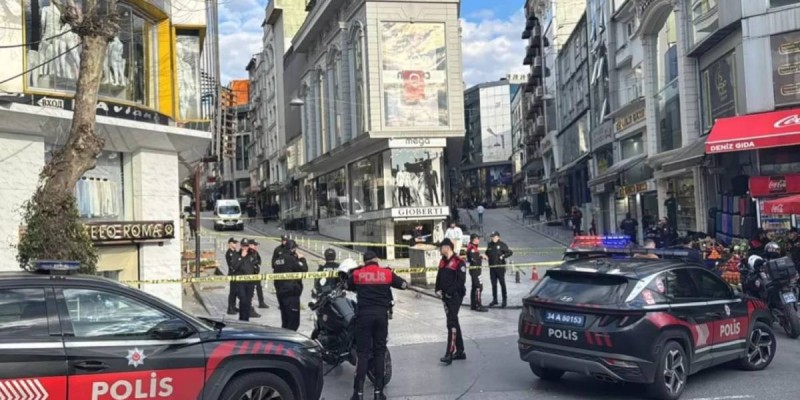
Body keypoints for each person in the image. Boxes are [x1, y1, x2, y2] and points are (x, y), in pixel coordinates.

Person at [345, 251, 408, 400]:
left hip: (364, 317)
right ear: (376, 260)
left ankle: (358, 393)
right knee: (379, 352)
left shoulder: (358, 274)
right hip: (381, 316)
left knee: (362, 354)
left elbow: (347, 285)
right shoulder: (386, 273)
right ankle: (378, 393)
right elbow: (404, 285)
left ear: (364, 261)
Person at [435, 238, 467, 365]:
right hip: (445, 297)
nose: (440, 249)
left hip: (455, 296)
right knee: (454, 321)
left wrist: (449, 292)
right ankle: (460, 351)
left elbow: (461, 281)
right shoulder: (443, 261)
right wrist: (437, 289)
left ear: (447, 248)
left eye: (441, 247)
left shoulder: (459, 262)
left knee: (451, 323)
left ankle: (449, 353)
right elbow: (439, 276)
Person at [273, 240, 308, 331]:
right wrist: (302, 258)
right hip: (291, 292)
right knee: (293, 322)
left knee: (285, 320)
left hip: (281, 292)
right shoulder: (291, 259)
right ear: (293, 249)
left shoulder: (278, 259)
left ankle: (283, 337)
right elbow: (304, 268)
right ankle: (289, 338)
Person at [232, 238, 259, 321]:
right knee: (243, 300)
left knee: (248, 301)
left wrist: (256, 269)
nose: (245, 248)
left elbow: (256, 265)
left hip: (250, 282)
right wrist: (241, 257)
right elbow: (234, 267)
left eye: (246, 246)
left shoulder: (252, 255)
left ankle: (246, 319)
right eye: (243, 246)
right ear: (241, 246)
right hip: (241, 282)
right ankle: (242, 318)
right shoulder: (237, 255)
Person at [485, 231, 512, 308]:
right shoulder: (490, 244)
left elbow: (510, 252)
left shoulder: (502, 245)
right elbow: (487, 252)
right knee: (494, 284)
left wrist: (502, 256)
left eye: (494, 237)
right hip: (492, 268)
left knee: (502, 283)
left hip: (500, 267)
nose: (493, 238)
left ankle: (504, 300)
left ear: (498, 237)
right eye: (492, 237)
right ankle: (495, 299)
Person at [465, 233, 488, 312]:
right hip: (475, 270)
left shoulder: (473, 247)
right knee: (479, 287)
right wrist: (481, 256)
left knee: (475, 287)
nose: (479, 240)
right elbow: (473, 259)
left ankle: (473, 305)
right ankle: (478, 305)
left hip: (476, 269)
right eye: (478, 239)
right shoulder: (472, 248)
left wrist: (480, 256)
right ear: (474, 240)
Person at [249, 240, 269, 309]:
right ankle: (248, 304)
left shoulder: (255, 252)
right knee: (250, 290)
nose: (256, 246)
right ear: (250, 245)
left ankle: (261, 302)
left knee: (259, 288)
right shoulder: (248, 252)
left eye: (256, 245)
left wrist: (256, 263)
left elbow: (259, 261)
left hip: (256, 273)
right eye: (254, 245)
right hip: (250, 274)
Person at [226, 237, 240, 315]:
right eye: (234, 243)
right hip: (233, 274)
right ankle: (230, 308)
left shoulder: (235, 252)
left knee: (235, 292)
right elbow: (232, 265)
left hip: (237, 274)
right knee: (232, 292)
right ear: (230, 243)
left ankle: (233, 306)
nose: (236, 244)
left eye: (236, 243)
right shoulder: (229, 253)